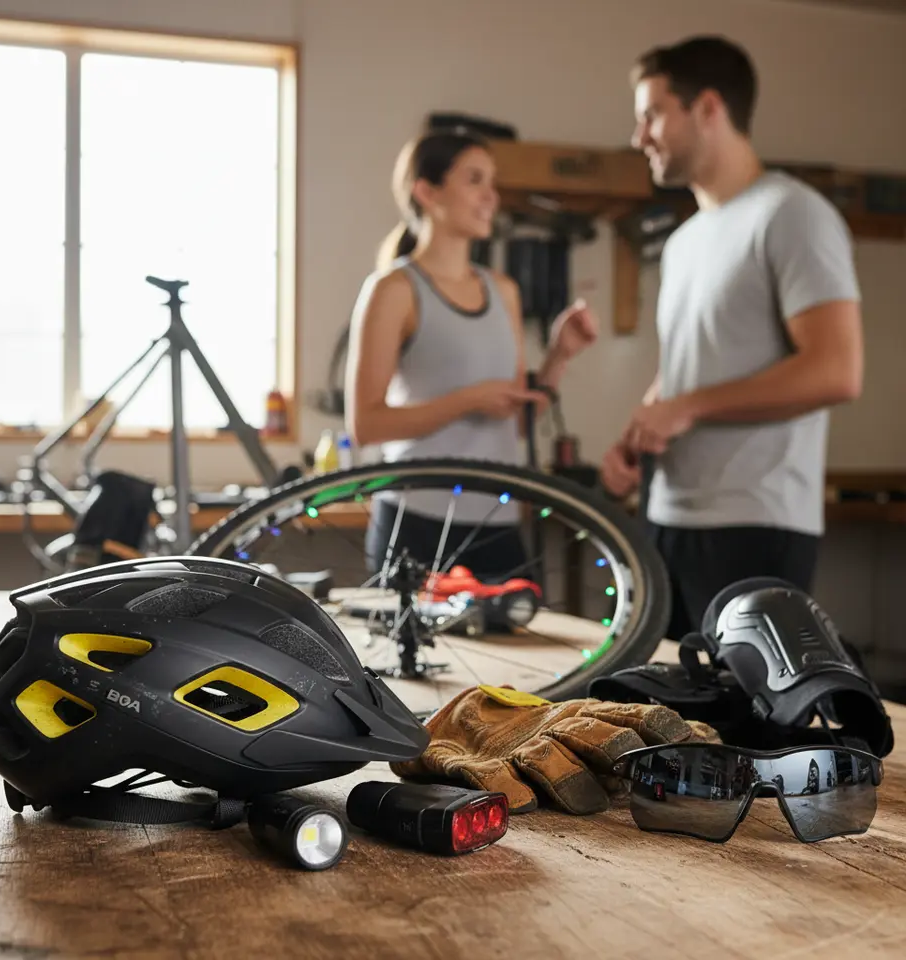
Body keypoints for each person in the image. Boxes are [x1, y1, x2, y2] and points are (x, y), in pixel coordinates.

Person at [601, 36, 864, 641]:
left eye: (651, 114)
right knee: (661, 727)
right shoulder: (684, 240)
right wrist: (642, 430)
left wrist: (686, 408)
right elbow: (692, 365)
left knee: (748, 733)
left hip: (753, 527)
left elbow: (836, 369)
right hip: (666, 520)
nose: (639, 136)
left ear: (708, 108)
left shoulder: (792, 214)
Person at [346, 129, 598, 580]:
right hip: (415, 519)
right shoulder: (394, 290)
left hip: (495, 519)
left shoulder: (504, 291)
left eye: (492, 182)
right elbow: (365, 425)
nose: (491, 196)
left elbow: (517, 418)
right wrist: (468, 400)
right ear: (427, 191)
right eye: (475, 180)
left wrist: (559, 356)